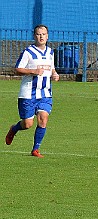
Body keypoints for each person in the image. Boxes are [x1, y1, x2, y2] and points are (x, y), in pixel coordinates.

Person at [5, 24, 60, 158]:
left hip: (45, 93)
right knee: (28, 124)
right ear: (34, 36)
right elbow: (17, 69)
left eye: (44, 34)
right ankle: (14, 129)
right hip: (28, 94)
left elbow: (51, 68)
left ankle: (35, 149)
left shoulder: (50, 52)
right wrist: (33, 71)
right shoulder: (28, 52)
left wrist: (55, 74)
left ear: (47, 36)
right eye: (38, 34)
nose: (41, 37)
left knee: (43, 119)